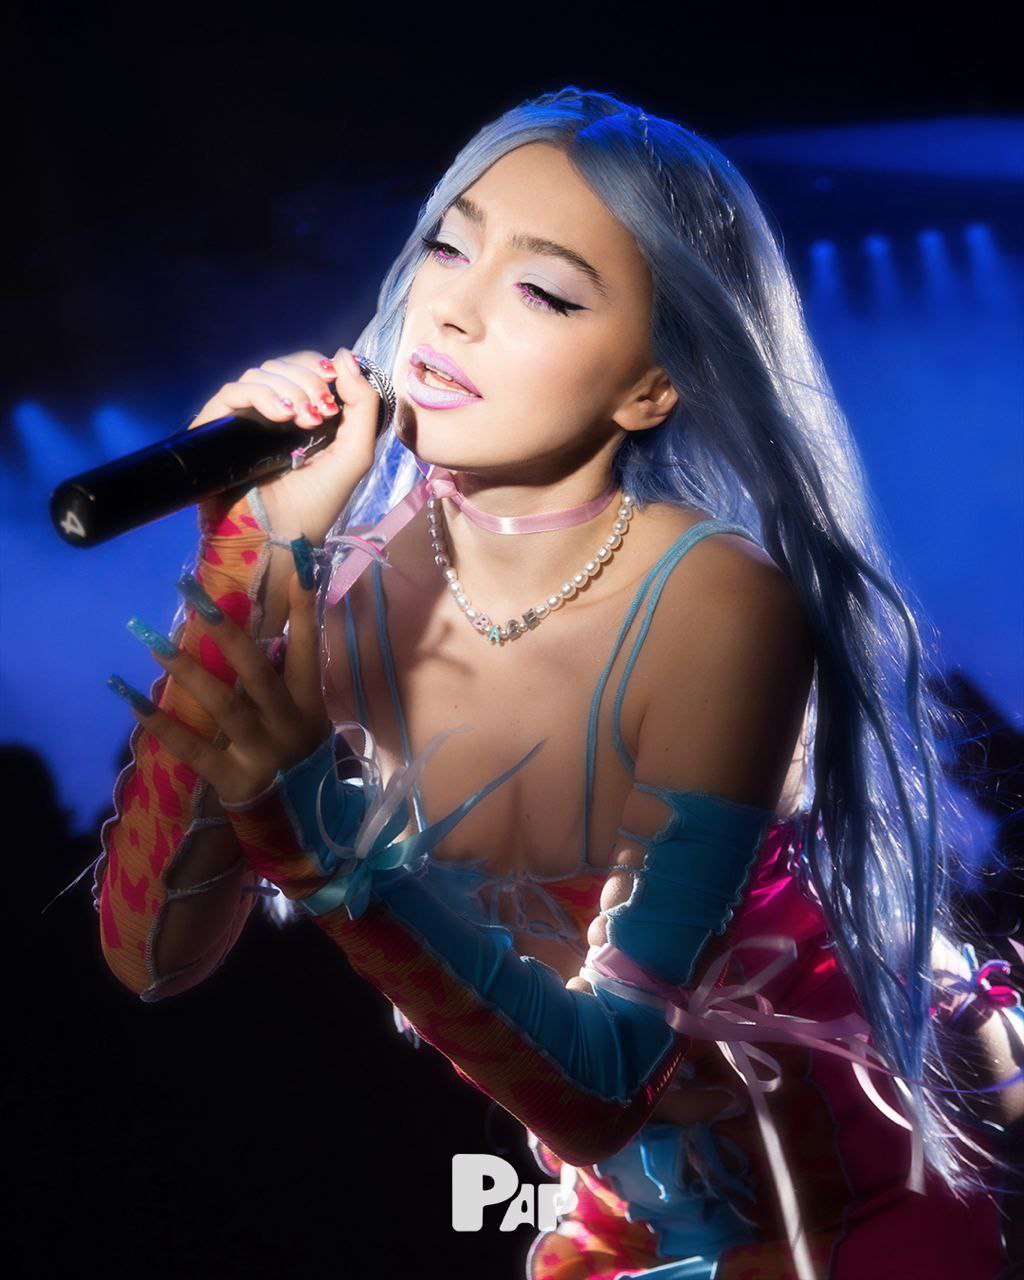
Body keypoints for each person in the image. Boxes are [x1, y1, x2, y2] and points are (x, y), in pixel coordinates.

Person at [92, 87, 1022, 1278]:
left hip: (876, 1187)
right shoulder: (347, 588)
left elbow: (607, 1079)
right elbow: (151, 955)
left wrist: (320, 836)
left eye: (543, 290)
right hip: (624, 1220)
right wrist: (251, 554)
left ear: (649, 385)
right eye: (448, 245)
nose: (452, 309)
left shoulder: (715, 601)